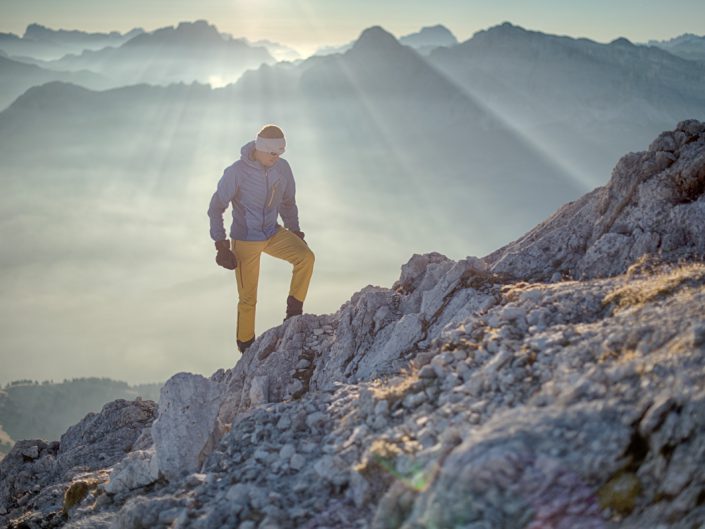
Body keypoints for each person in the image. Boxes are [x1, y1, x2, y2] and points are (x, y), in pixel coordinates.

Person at [207, 124, 315, 353]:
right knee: (248, 298)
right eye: (274, 153)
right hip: (245, 238)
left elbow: (288, 203)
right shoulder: (237, 172)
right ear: (260, 148)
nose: (278, 157)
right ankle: (246, 346)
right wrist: (221, 245)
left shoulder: (282, 169)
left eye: (282, 152)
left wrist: (295, 232)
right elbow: (216, 207)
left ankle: (293, 313)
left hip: (272, 232)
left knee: (306, 257)